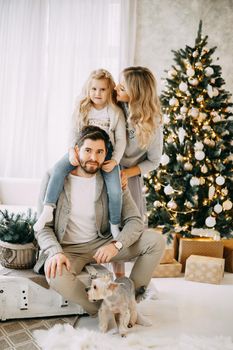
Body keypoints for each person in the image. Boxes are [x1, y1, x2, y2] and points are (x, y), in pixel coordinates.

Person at [33, 126, 165, 316]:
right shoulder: (53, 177)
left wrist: (116, 245)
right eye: (88, 150)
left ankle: (129, 301)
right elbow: (42, 227)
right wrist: (54, 252)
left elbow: (135, 221)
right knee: (56, 274)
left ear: (106, 155)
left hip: (101, 243)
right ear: (76, 151)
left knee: (155, 242)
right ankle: (103, 311)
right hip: (68, 249)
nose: (93, 157)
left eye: (99, 152)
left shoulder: (113, 181)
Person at [33, 69, 126, 242]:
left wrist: (114, 161)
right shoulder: (83, 108)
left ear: (110, 90)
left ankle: (114, 224)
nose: (97, 93)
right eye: (94, 89)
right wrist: (71, 151)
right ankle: (48, 209)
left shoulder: (115, 112)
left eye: (102, 89)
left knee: (115, 189)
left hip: (106, 155)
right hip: (81, 150)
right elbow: (72, 132)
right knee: (57, 170)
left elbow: (121, 140)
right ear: (88, 89)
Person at [115, 66, 163, 221]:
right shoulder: (115, 106)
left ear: (135, 95)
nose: (115, 88)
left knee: (130, 219)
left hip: (130, 174)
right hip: (109, 167)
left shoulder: (153, 124)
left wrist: (127, 174)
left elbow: (154, 161)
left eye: (122, 88)